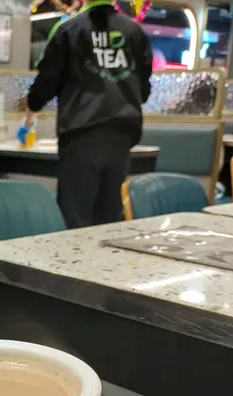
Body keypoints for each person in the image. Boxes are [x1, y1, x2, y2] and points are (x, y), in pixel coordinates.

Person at [25, 0, 152, 228]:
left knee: (75, 219)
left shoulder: (68, 29)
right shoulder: (134, 32)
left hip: (80, 134)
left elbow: (47, 79)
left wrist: (32, 105)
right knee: (109, 220)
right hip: (121, 137)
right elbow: (143, 89)